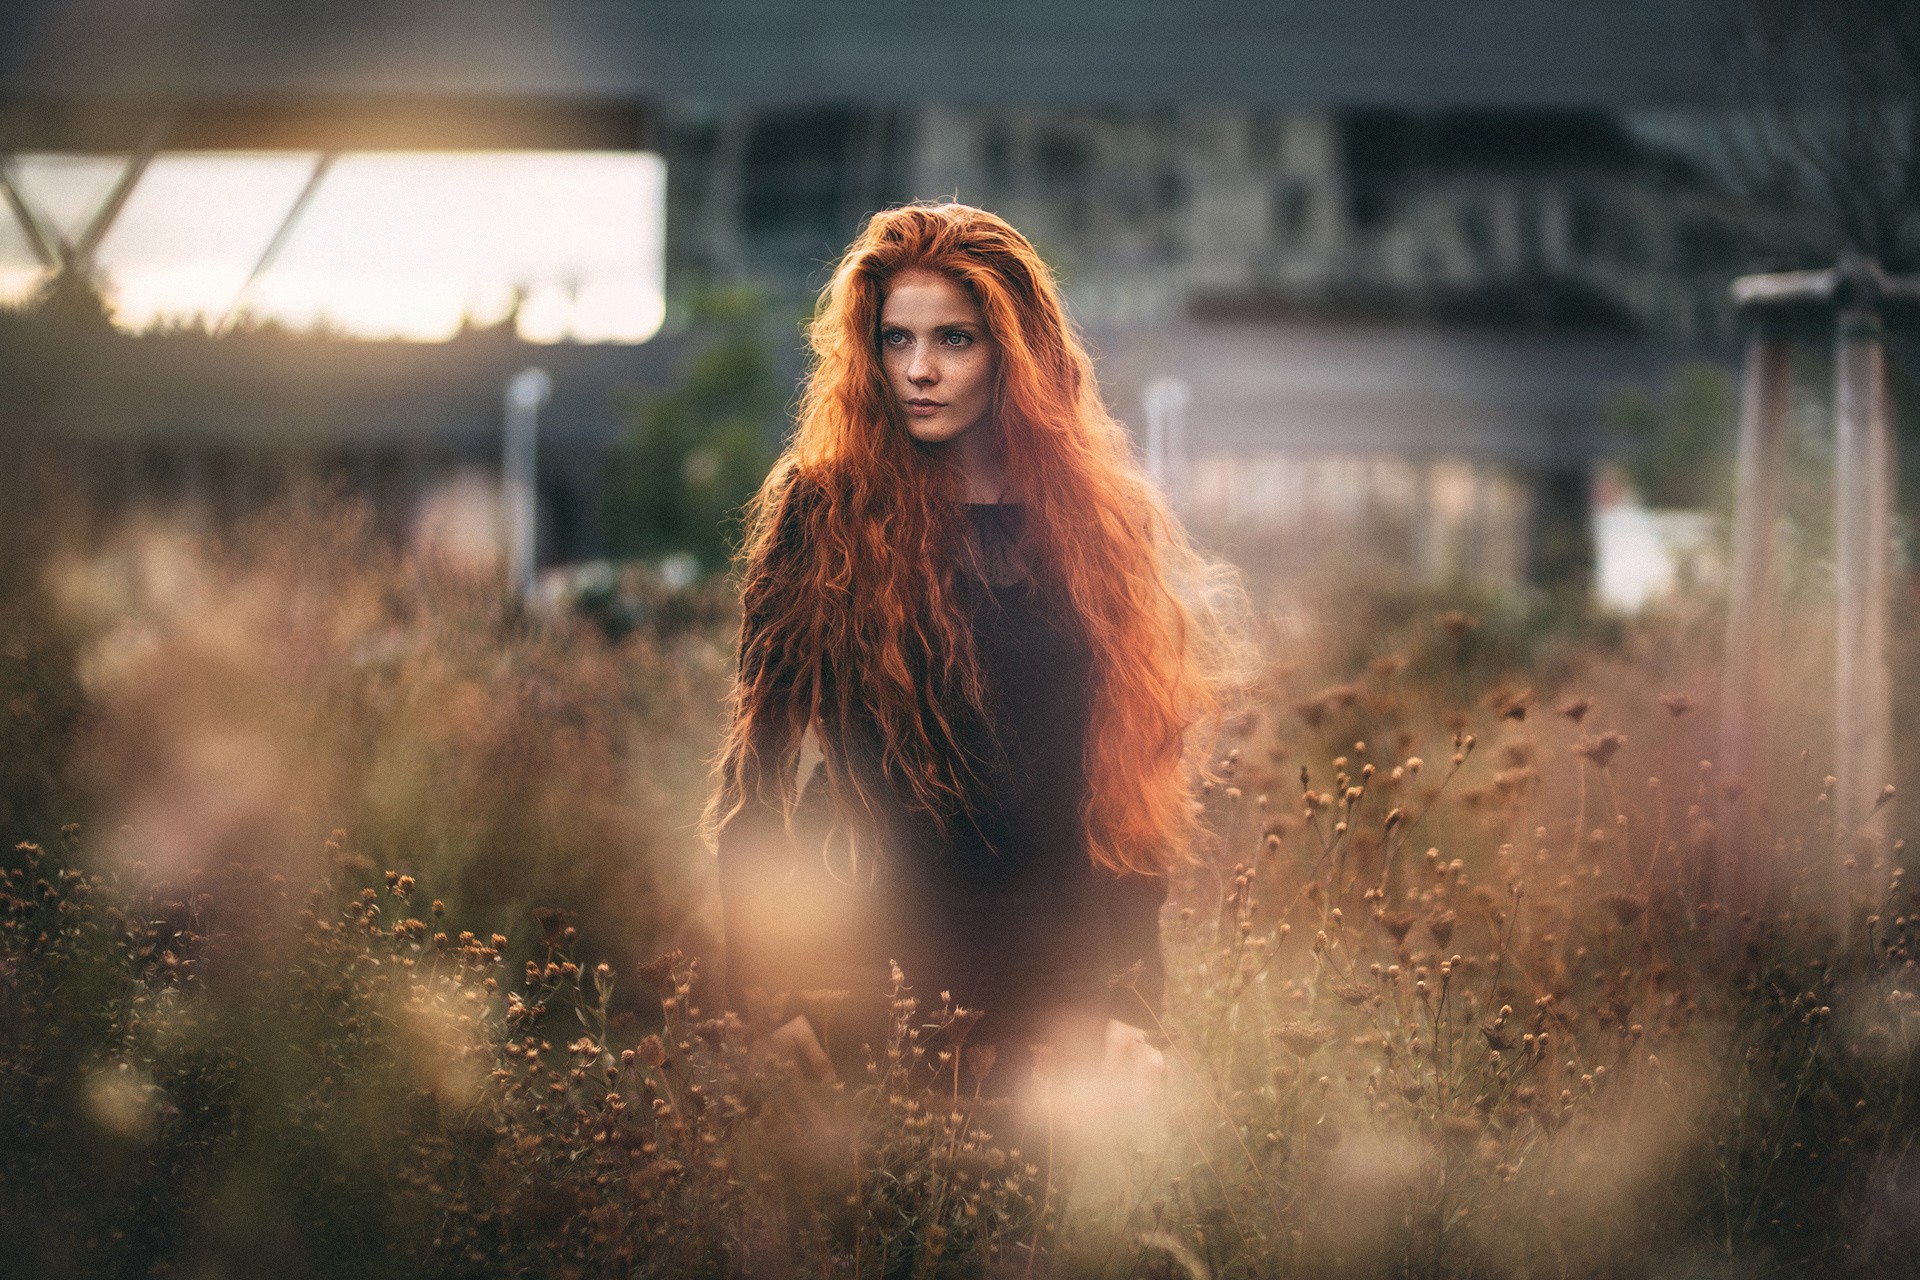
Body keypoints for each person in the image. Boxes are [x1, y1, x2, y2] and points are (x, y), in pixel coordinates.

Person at [703, 202, 1245, 1099]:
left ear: (1014, 351)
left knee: (1030, 1244)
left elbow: (1123, 794)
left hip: (1059, 1000)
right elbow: (754, 780)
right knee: (886, 1239)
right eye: (896, 340)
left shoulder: (1098, 531)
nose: (919, 370)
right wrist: (768, 999)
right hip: (871, 993)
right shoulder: (825, 517)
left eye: (954, 339)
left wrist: (1138, 1004)